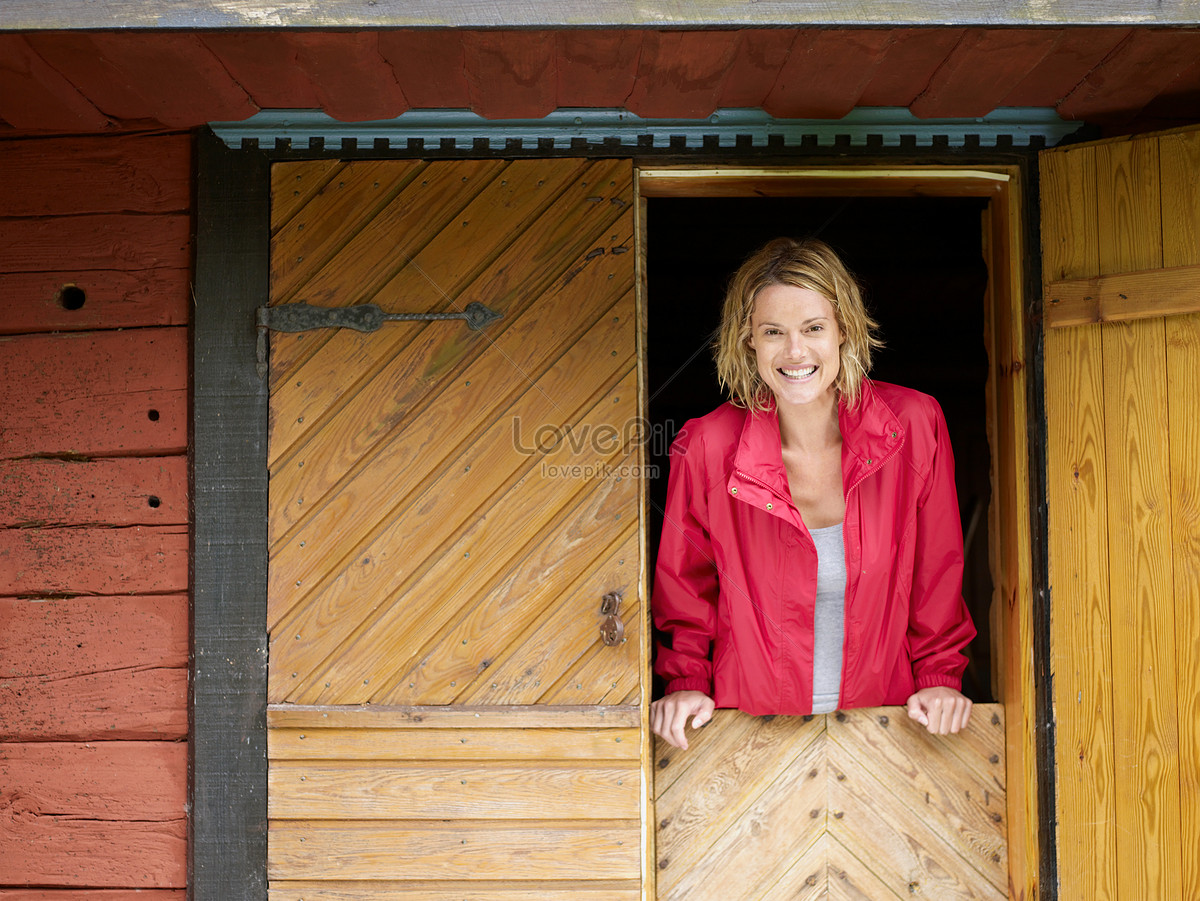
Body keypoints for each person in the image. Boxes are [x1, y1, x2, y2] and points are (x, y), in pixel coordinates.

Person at [650, 237, 976, 750]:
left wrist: (940, 679)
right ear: (748, 340)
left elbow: (937, 572)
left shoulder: (912, 426)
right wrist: (686, 683)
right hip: (746, 736)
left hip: (888, 730)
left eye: (814, 328)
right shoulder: (707, 445)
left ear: (843, 330)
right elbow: (686, 585)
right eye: (773, 332)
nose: (795, 351)